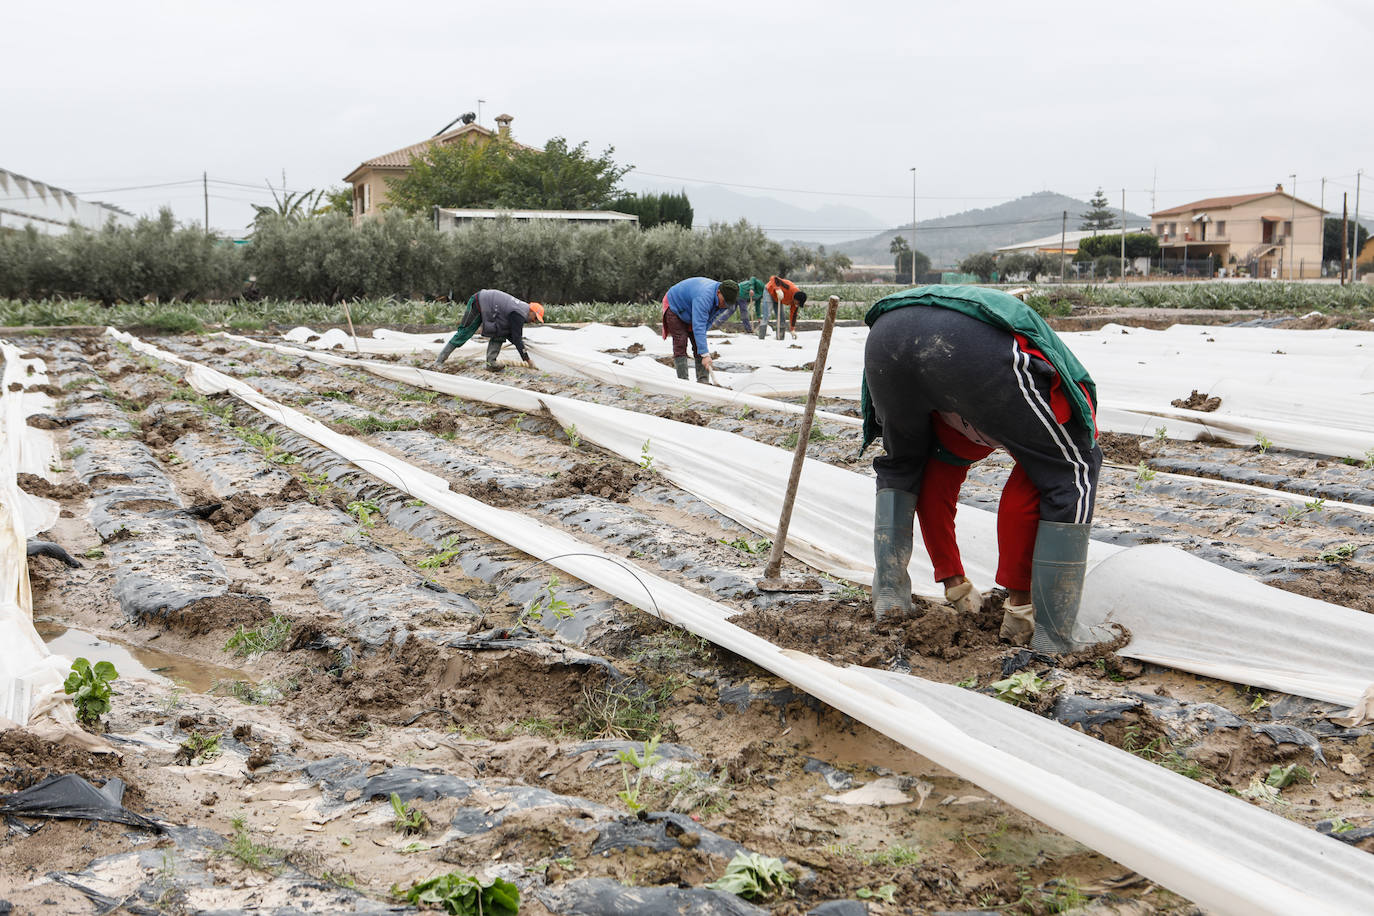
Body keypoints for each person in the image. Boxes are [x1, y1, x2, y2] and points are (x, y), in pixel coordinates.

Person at [860, 285, 1101, 653]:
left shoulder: (955, 422)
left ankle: (890, 596)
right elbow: (1051, 483)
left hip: (886, 335)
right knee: (1072, 467)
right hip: (970, 346)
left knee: (905, 464)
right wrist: (1020, 603)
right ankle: (1053, 633)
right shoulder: (1063, 402)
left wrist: (955, 584)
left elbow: (933, 487)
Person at [434, 289, 545, 370]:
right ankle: (439, 361)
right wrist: (527, 360)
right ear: (531, 311)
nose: (534, 321)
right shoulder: (519, 314)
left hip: (490, 307)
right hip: (479, 301)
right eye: (535, 318)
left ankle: (491, 363)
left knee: (501, 332)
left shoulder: (520, 311)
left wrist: (521, 348)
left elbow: (512, 335)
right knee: (465, 332)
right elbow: (516, 338)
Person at [662, 277, 737, 383]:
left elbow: (708, 321)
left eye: (728, 303)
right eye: (724, 301)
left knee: (699, 345)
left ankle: (703, 381)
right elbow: (699, 325)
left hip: (692, 309)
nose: (725, 305)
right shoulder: (704, 297)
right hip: (675, 305)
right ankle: (683, 381)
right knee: (680, 342)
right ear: (718, 292)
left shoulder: (724, 303)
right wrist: (705, 355)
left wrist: (702, 347)